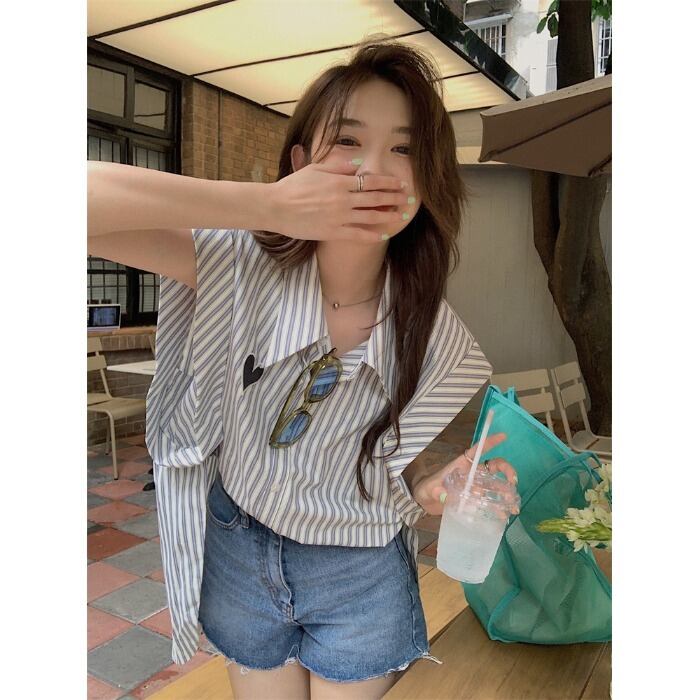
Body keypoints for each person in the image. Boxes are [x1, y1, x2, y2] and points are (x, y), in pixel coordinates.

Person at [88, 39, 518, 700]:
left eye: (404, 149)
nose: (373, 169)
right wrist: (267, 206)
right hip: (239, 550)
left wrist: (433, 486)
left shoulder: (437, 335)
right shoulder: (234, 264)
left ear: (427, 180)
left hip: (359, 573)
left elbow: (392, 465)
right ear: (300, 162)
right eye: (348, 141)